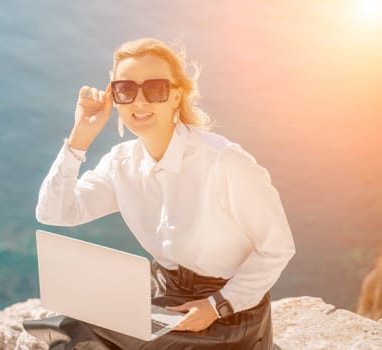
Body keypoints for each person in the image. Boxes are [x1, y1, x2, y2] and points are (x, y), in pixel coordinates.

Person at [26, 37, 296, 350]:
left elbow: (277, 248)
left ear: (176, 95)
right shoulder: (121, 163)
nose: (139, 102)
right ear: (114, 97)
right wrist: (79, 138)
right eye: (125, 90)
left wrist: (217, 304)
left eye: (155, 89)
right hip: (163, 292)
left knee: (84, 336)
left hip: (227, 312)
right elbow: (54, 212)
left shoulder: (226, 162)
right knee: (68, 325)